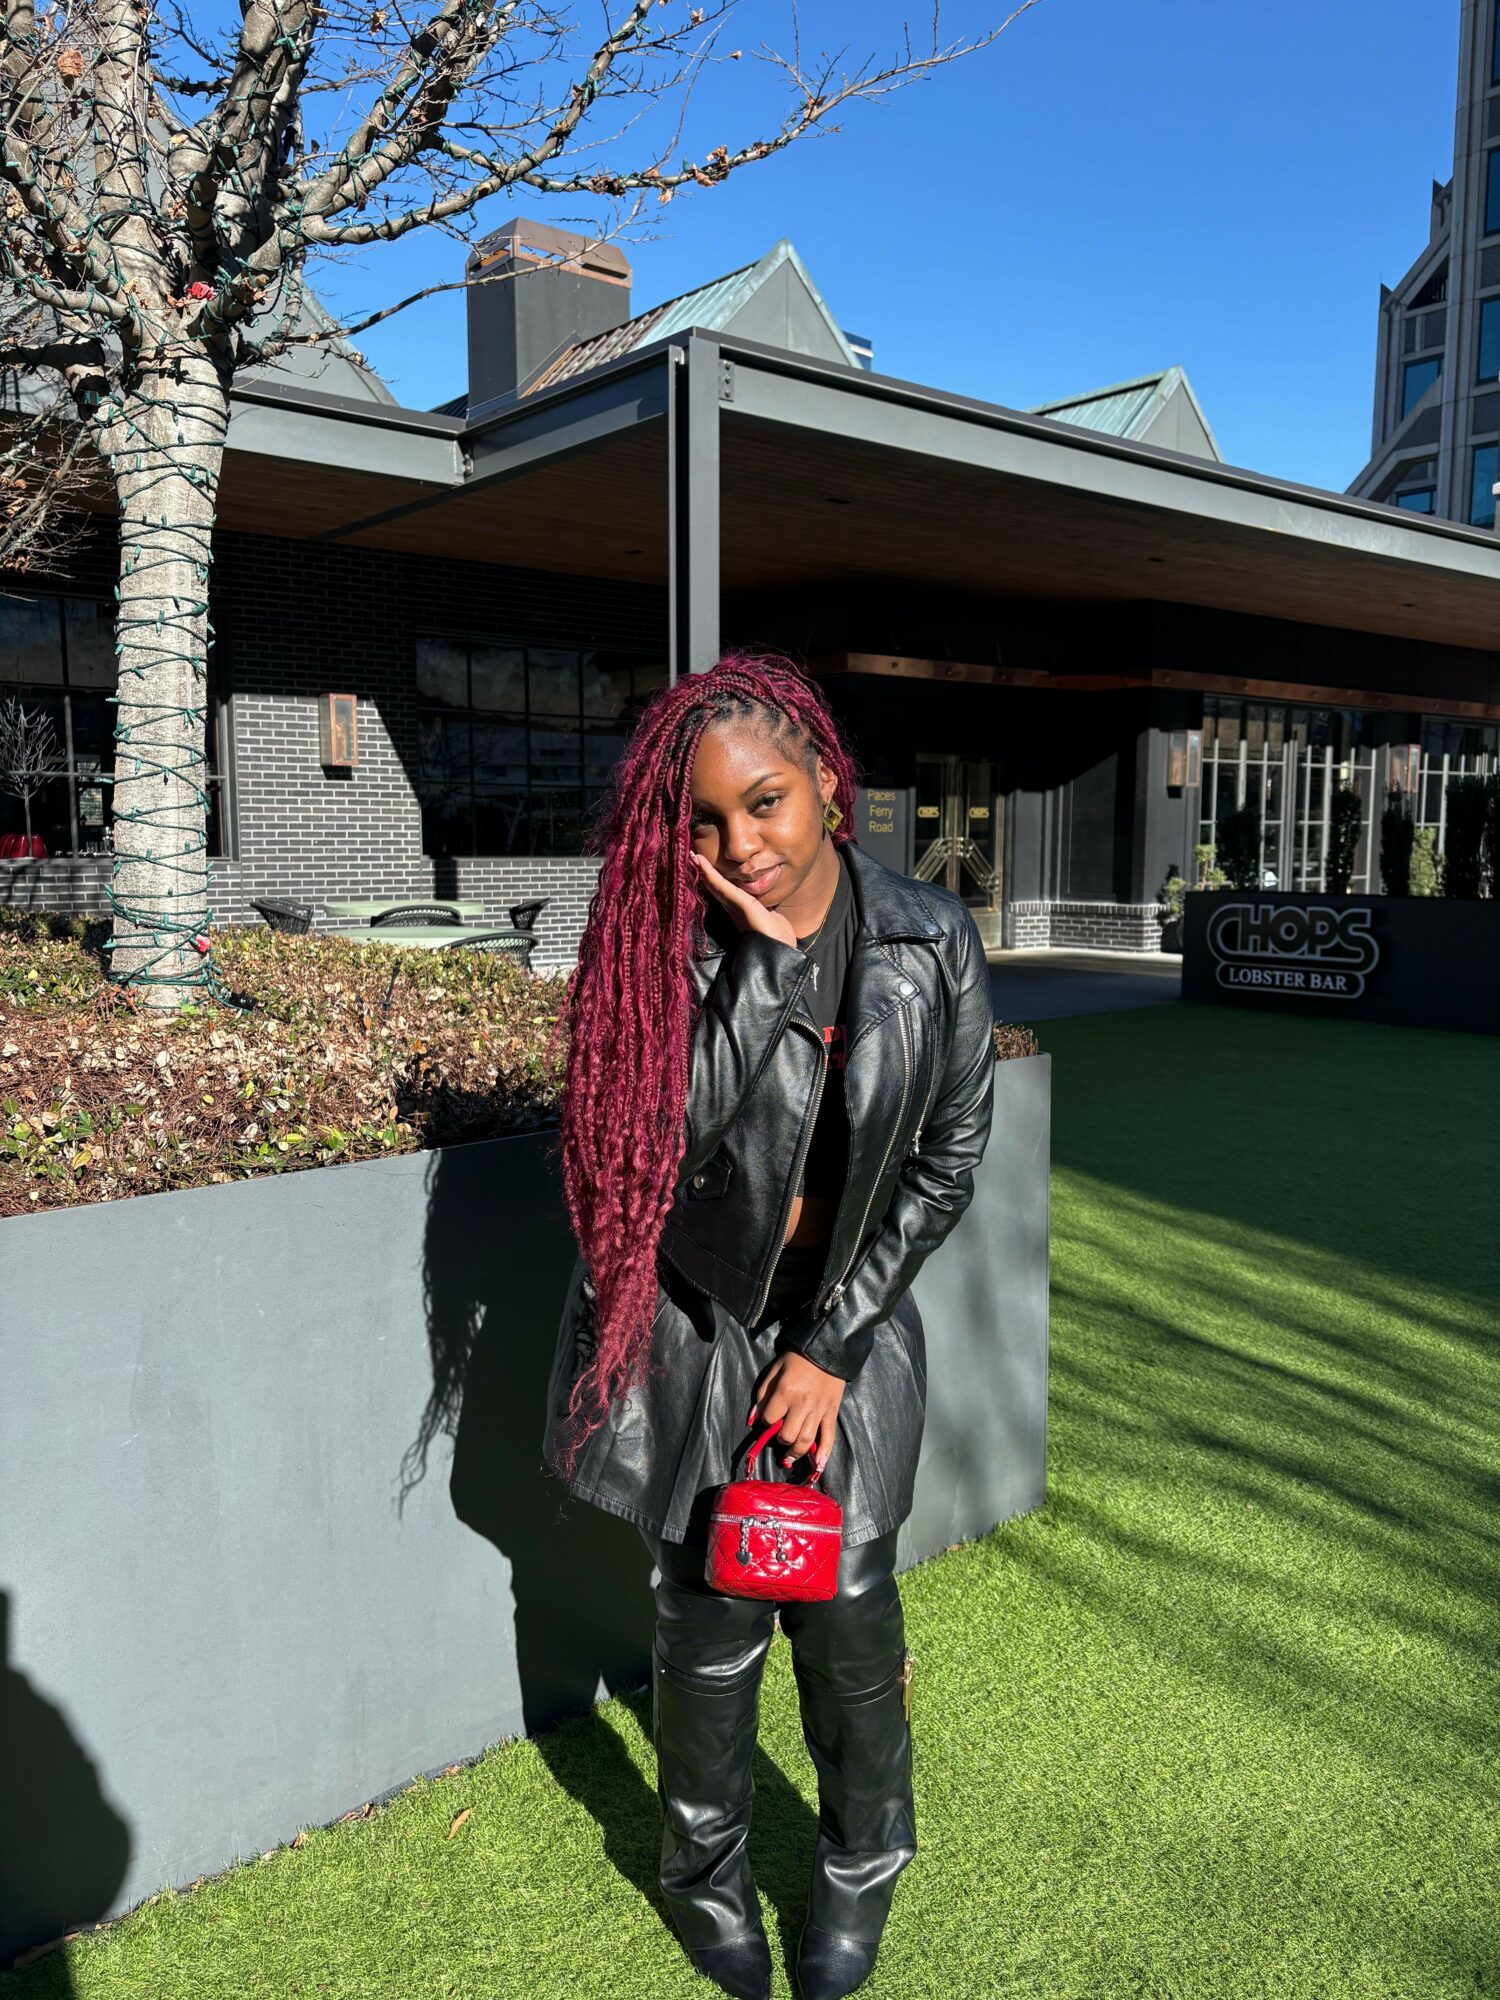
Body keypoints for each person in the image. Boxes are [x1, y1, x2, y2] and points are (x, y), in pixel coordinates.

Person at [542, 654, 996, 2000]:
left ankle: (862, 1869)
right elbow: (652, 1154)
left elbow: (952, 1154)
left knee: (851, 1624)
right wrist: (767, 970)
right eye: (704, 819)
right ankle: (704, 1878)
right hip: (695, 1332)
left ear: (826, 787)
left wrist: (833, 1349)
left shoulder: (928, 936)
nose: (742, 842)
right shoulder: (659, 955)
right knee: (713, 1629)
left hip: (841, 1338)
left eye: (768, 803)